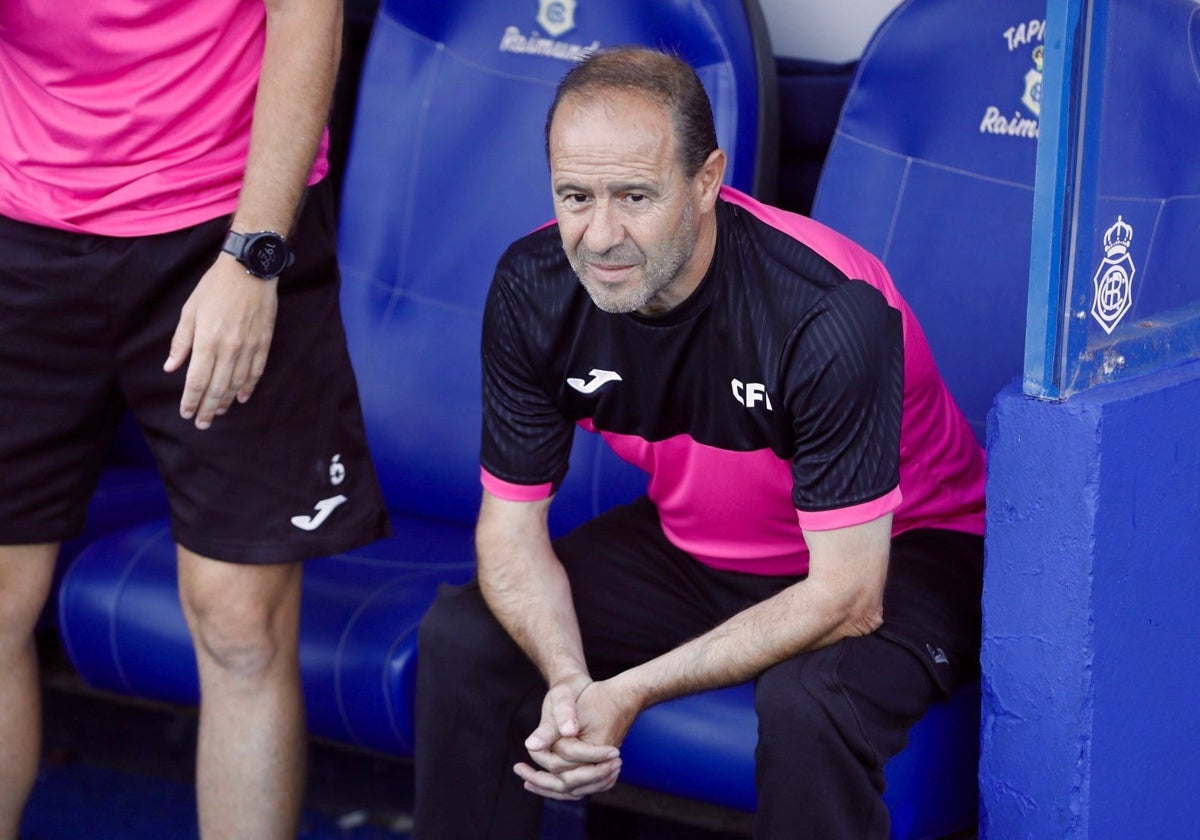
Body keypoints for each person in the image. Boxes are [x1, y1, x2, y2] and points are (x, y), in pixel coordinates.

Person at [413, 46, 986, 840]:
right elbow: (508, 535)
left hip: (903, 548)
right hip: (701, 545)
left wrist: (630, 691)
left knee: (810, 702)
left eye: (635, 196)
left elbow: (848, 598)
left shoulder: (826, 310)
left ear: (707, 180)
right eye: (575, 195)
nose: (600, 234)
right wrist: (572, 678)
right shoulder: (535, 286)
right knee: (468, 639)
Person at [0, 2, 389, 838]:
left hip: (225, 221)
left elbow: (304, 14)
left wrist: (254, 257)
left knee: (238, 620)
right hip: (22, 225)